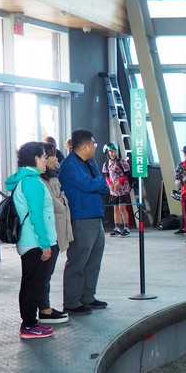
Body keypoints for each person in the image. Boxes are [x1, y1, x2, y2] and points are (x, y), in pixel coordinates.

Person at [4, 141, 57, 338]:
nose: (46, 160)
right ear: (35, 159)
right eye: (44, 157)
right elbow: (37, 217)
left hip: (29, 242)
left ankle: (30, 323)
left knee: (30, 283)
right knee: (33, 285)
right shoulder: (32, 182)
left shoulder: (24, 179)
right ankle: (28, 325)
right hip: (35, 243)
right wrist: (45, 244)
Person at [59, 129, 110, 315]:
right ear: (86, 145)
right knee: (78, 260)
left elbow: (102, 184)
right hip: (81, 218)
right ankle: (72, 301)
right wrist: (96, 182)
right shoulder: (70, 165)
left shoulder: (90, 162)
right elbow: (90, 185)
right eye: (94, 143)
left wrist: (96, 182)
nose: (95, 147)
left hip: (96, 217)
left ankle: (88, 297)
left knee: (94, 260)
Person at [39, 142, 73, 324]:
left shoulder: (53, 178)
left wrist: (61, 201)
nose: (54, 159)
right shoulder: (39, 182)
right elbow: (56, 205)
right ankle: (44, 311)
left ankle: (46, 307)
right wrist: (60, 201)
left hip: (53, 233)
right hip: (46, 235)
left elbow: (62, 200)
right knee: (43, 274)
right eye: (50, 156)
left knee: (47, 273)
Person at [101, 142, 132, 237]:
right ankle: (117, 227)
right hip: (113, 190)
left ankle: (126, 227)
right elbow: (106, 175)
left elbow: (127, 174)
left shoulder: (121, 161)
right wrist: (109, 184)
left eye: (114, 151)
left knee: (122, 208)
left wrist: (120, 182)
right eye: (111, 152)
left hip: (123, 189)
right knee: (116, 209)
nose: (113, 153)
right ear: (107, 153)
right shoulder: (106, 164)